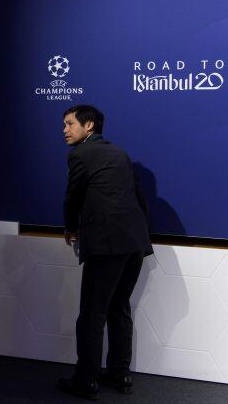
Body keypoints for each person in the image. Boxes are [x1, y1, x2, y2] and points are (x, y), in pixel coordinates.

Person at [56, 105, 153, 400]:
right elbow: (138, 197)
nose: (64, 130)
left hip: (107, 243)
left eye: (70, 124)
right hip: (135, 241)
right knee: (119, 306)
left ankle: (86, 380)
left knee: (92, 314)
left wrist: (70, 226)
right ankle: (120, 374)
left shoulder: (80, 155)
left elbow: (73, 195)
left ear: (89, 126)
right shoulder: (120, 153)